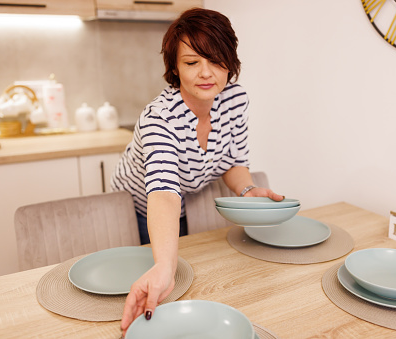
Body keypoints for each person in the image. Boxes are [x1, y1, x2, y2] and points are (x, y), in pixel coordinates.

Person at [111, 7, 284, 335]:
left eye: (216, 61)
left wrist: (248, 190)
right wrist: (163, 264)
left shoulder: (235, 100)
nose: (206, 73)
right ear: (174, 67)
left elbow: (233, 162)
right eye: (192, 62)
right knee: (156, 280)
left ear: (230, 63)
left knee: (188, 282)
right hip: (138, 204)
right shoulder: (159, 118)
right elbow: (162, 194)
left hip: (184, 199)